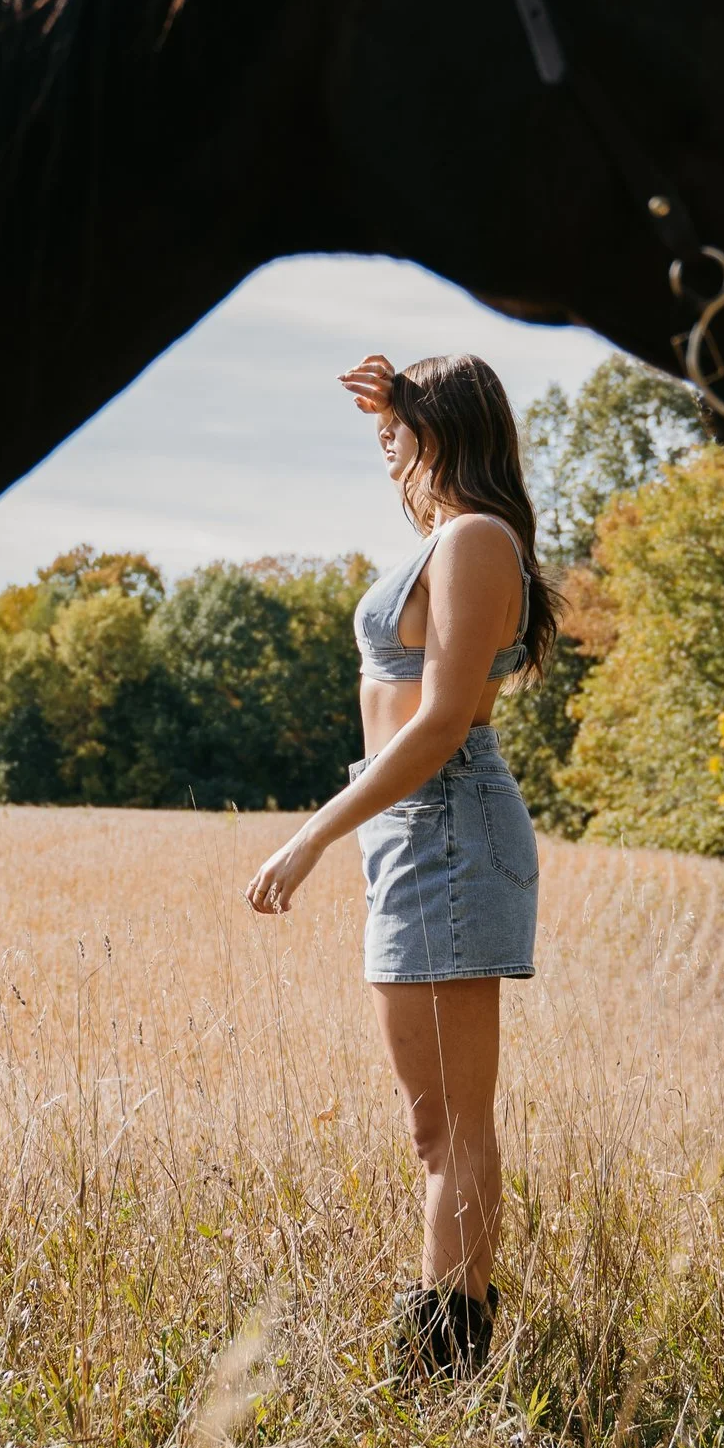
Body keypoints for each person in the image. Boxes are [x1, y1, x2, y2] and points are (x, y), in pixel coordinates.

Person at [246, 350, 554, 1378]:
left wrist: (310, 835)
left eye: (400, 436)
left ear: (446, 432)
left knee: (454, 1129)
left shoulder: (474, 538)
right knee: (436, 1127)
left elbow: (437, 726)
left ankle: (438, 1364)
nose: (385, 456)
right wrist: (396, 410)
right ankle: (444, 1351)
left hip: (447, 823)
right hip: (415, 833)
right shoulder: (451, 538)